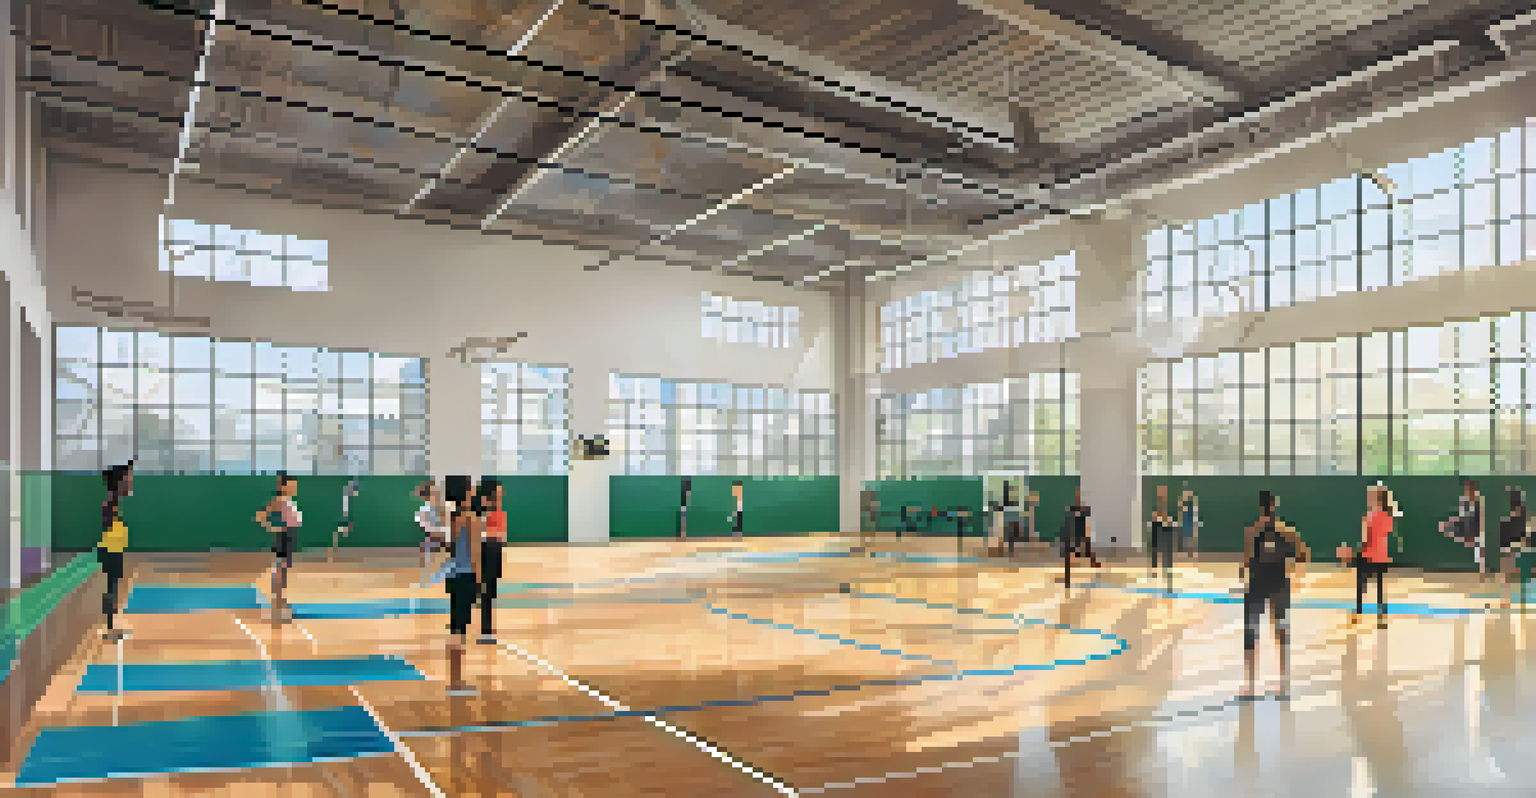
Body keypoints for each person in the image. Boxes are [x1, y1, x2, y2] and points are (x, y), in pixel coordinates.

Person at [1238, 490, 1310, 699]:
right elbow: (1303, 554)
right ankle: (1281, 681)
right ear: (1274, 506)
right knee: (1279, 631)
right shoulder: (1286, 531)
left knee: (1253, 631)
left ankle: (1251, 683)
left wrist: (1245, 570)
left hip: (1260, 584)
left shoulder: (1253, 532)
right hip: (1276, 583)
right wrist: (1293, 570)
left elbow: (1246, 561)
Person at [442, 475, 482, 695]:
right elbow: (475, 552)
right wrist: (479, 579)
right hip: (466, 577)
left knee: (456, 627)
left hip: (453, 575)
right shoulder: (471, 518)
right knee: (460, 630)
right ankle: (456, 683)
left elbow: (451, 546)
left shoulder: (453, 518)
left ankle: (455, 679)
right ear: (466, 492)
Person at [256, 473, 302, 621]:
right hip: (284, 536)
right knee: (280, 570)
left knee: (283, 571)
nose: (294, 486)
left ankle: (281, 602)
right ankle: (277, 605)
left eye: (294, 484)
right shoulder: (280, 500)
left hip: (289, 536)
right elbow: (261, 516)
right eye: (291, 483)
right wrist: (273, 528)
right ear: (283, 486)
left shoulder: (289, 499)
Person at [98, 461, 135, 641]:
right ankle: (109, 628)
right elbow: (108, 525)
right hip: (111, 551)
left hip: (114, 550)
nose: (131, 482)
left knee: (113, 588)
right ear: (119, 482)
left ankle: (111, 626)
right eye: (128, 479)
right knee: (111, 589)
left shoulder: (113, 501)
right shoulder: (111, 501)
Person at [1352, 485, 1393, 628]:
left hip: (1368, 554)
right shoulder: (1387, 517)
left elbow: (1366, 538)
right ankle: (1381, 611)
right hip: (1382, 556)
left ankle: (1359, 609)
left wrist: (1359, 550)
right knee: (1380, 585)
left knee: (1361, 582)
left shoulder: (1370, 517)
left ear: (1376, 498)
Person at [478, 478, 505, 644]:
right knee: (485, 594)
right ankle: (485, 631)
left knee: (489, 594)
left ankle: (487, 630)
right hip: (485, 551)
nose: (500, 495)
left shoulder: (498, 510)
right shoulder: (481, 512)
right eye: (498, 492)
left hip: (494, 552)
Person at [1442, 480, 1486, 579]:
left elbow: (1480, 518)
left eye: (1470, 489)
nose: (1468, 491)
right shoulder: (1464, 501)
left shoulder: (1479, 501)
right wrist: (1452, 522)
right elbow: (1462, 517)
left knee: (1479, 548)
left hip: (1476, 528)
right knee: (1447, 526)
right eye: (1467, 489)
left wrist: (1478, 531)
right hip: (1467, 526)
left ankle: (1482, 570)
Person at [1497, 486, 1534, 605]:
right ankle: (1507, 597)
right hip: (1512, 545)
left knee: (1513, 573)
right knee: (1509, 572)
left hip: (1516, 545)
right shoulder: (1515, 519)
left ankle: (1508, 597)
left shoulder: (1521, 517)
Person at [1062, 488, 1101, 585]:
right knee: (1070, 552)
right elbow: (1070, 522)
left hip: (1082, 533)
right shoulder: (1072, 509)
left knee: (1088, 549)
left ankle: (1093, 563)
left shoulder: (1085, 510)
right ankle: (1068, 570)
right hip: (1074, 533)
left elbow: (1087, 521)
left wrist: (1088, 534)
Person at [1149, 485, 1177, 590]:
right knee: (1155, 548)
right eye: (1161, 491)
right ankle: (1155, 567)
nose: (1162, 494)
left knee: (1167, 551)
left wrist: (1168, 520)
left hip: (1166, 527)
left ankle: (1168, 568)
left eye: (1164, 491)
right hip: (1157, 526)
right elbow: (1154, 517)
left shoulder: (1170, 506)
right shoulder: (1155, 505)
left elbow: (1172, 518)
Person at [1179, 484, 1200, 562]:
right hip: (1185, 523)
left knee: (1191, 538)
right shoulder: (1183, 507)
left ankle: (1192, 554)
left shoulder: (1192, 507)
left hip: (1190, 523)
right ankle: (1186, 553)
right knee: (1185, 539)